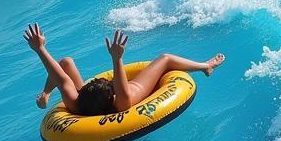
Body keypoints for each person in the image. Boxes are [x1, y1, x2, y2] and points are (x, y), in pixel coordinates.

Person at [24, 24, 224, 115]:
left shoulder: (75, 104)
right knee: (165, 58)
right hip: (137, 89)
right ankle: (206, 67)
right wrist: (116, 58)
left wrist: (40, 49)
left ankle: (45, 96)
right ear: (112, 97)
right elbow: (120, 83)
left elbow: (61, 77)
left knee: (66, 62)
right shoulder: (121, 103)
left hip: (93, 104)